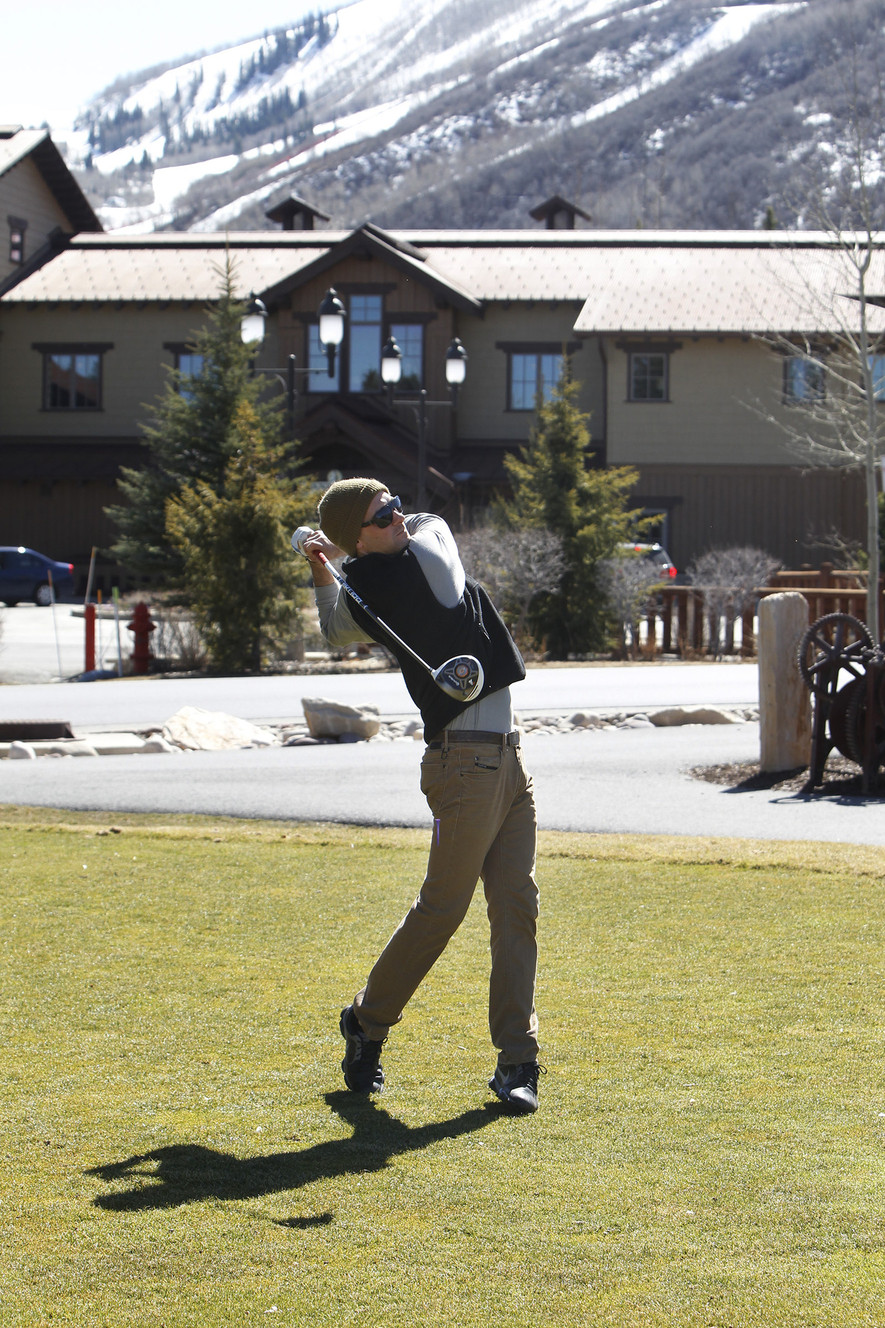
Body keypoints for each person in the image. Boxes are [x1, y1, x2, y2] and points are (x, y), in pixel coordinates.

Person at [299, 478, 543, 1114]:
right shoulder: (373, 584)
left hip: (508, 758)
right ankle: (366, 1022)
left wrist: (336, 554)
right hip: (464, 764)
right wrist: (326, 568)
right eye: (383, 516)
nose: (400, 516)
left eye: (396, 503)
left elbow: (433, 530)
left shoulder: (421, 547)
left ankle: (518, 1059)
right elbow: (333, 630)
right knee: (443, 909)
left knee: (516, 906)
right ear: (359, 537)